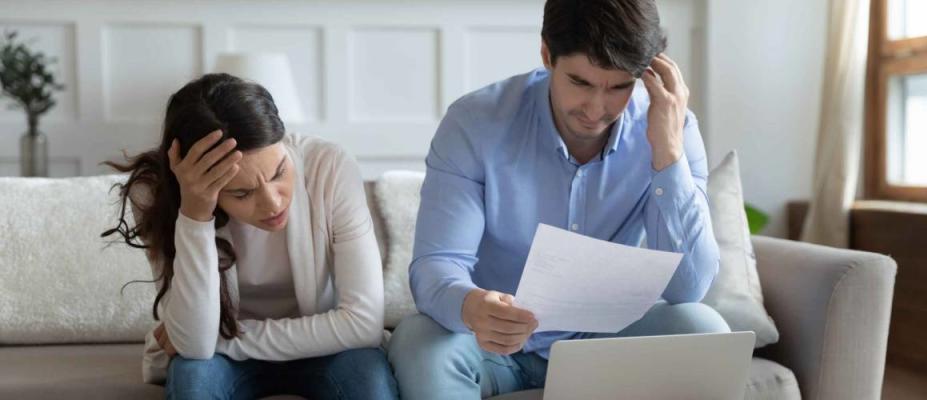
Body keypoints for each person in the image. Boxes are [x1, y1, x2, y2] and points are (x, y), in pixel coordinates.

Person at [387, 0, 729, 398]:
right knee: (418, 341)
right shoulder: (475, 122)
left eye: (619, 86)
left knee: (703, 328)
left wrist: (668, 155)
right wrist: (471, 306)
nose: (596, 110)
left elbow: (689, 288)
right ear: (547, 54)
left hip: (609, 345)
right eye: (581, 83)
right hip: (495, 347)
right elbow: (436, 265)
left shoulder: (673, 128)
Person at [103, 73, 398, 399]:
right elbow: (196, 347)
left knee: (371, 384)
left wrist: (224, 338)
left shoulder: (329, 167)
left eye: (279, 173)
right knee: (194, 383)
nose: (273, 202)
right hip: (224, 360)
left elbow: (363, 324)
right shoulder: (156, 194)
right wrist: (195, 214)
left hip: (327, 348)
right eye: (242, 193)